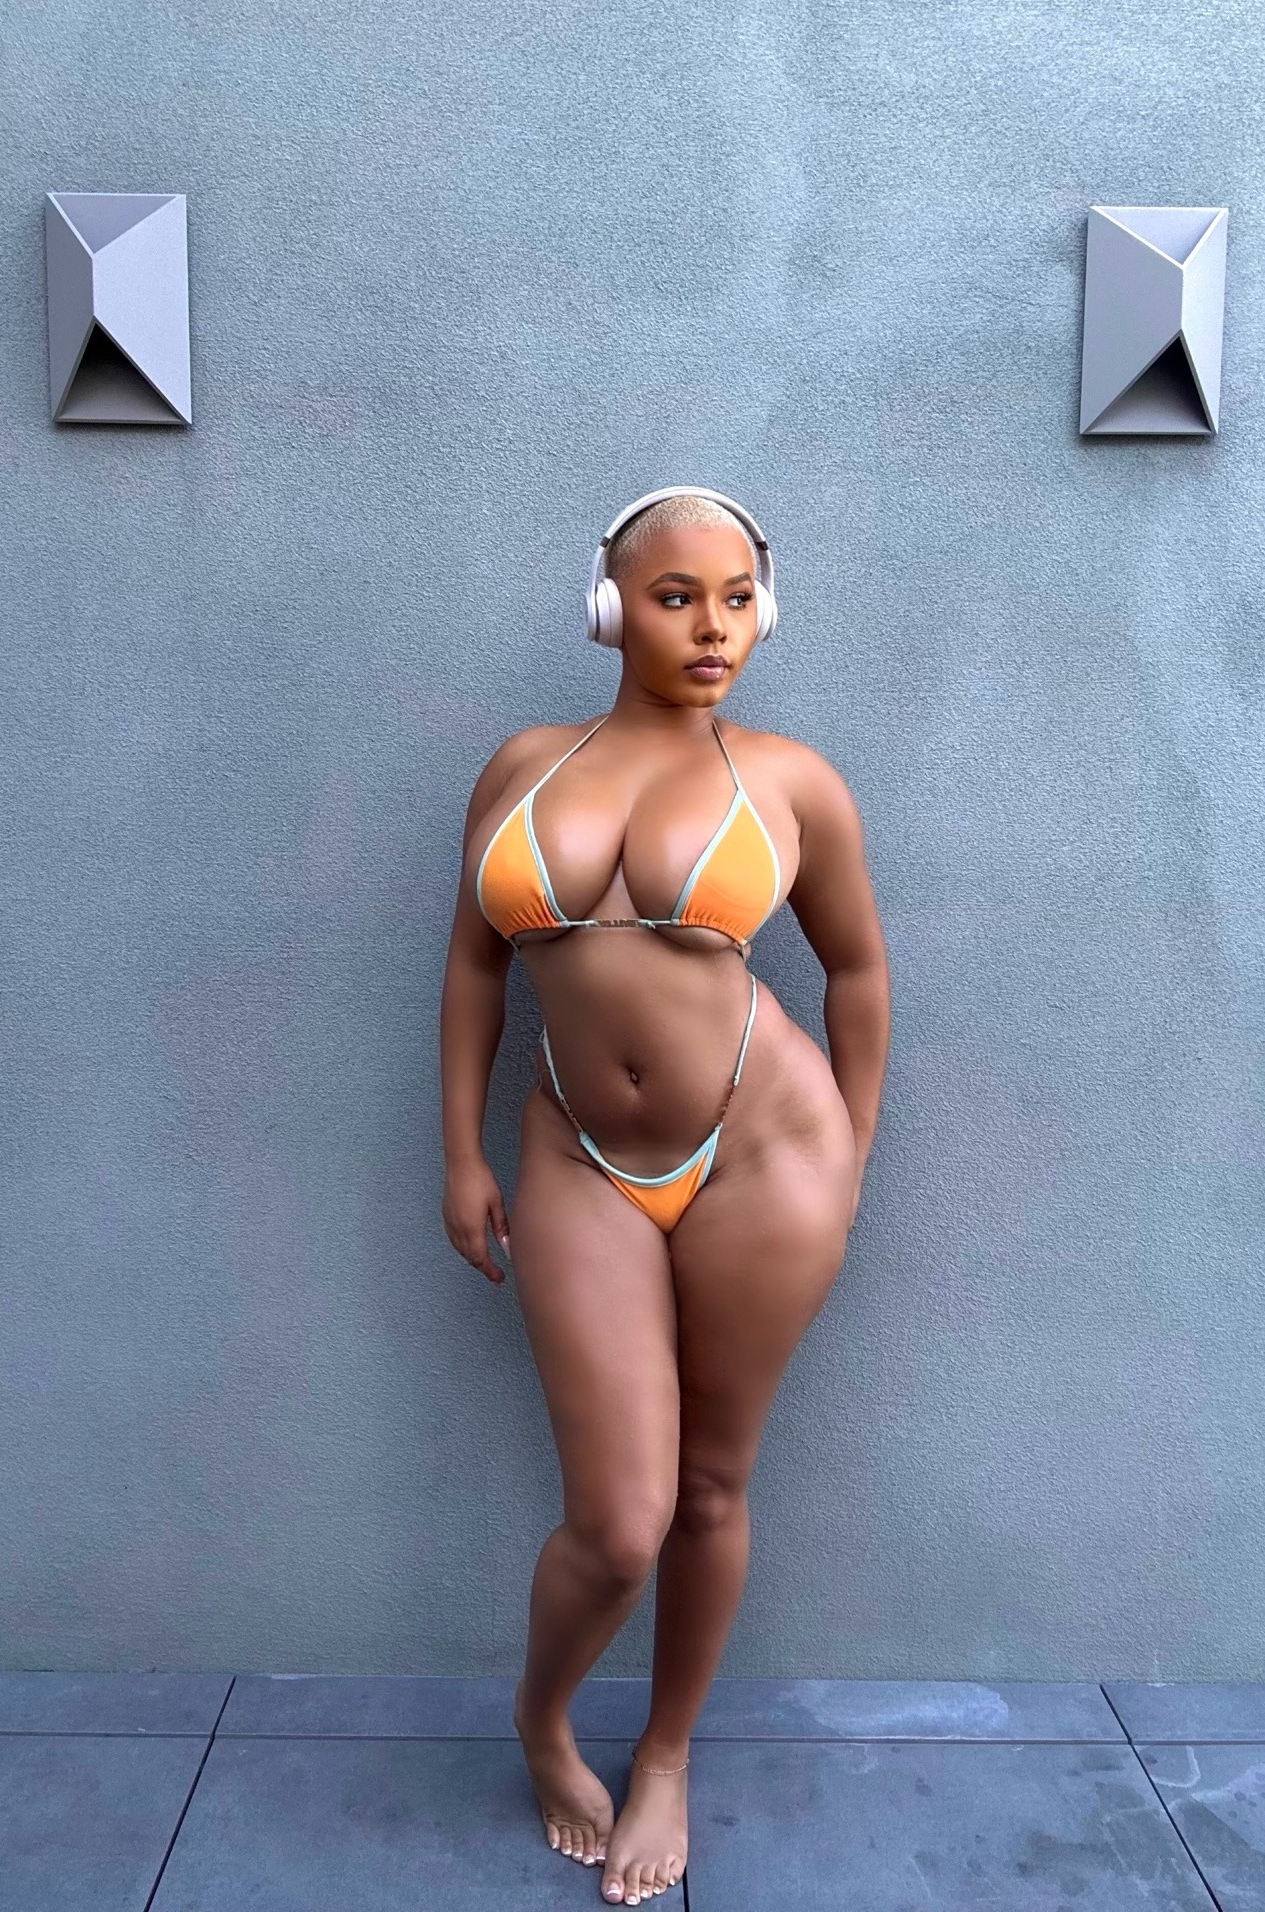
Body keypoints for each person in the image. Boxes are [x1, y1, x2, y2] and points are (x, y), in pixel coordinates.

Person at [440, 487, 890, 1905]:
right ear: (609, 608)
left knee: (708, 1488)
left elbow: (858, 971)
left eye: (739, 598)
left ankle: (668, 1755)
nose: (713, 628)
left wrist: (852, 1153)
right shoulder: (524, 765)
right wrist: (459, 1151)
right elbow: (474, 965)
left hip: (766, 1154)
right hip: (576, 1152)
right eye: (677, 596)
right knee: (619, 1521)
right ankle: (542, 1719)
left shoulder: (793, 780)